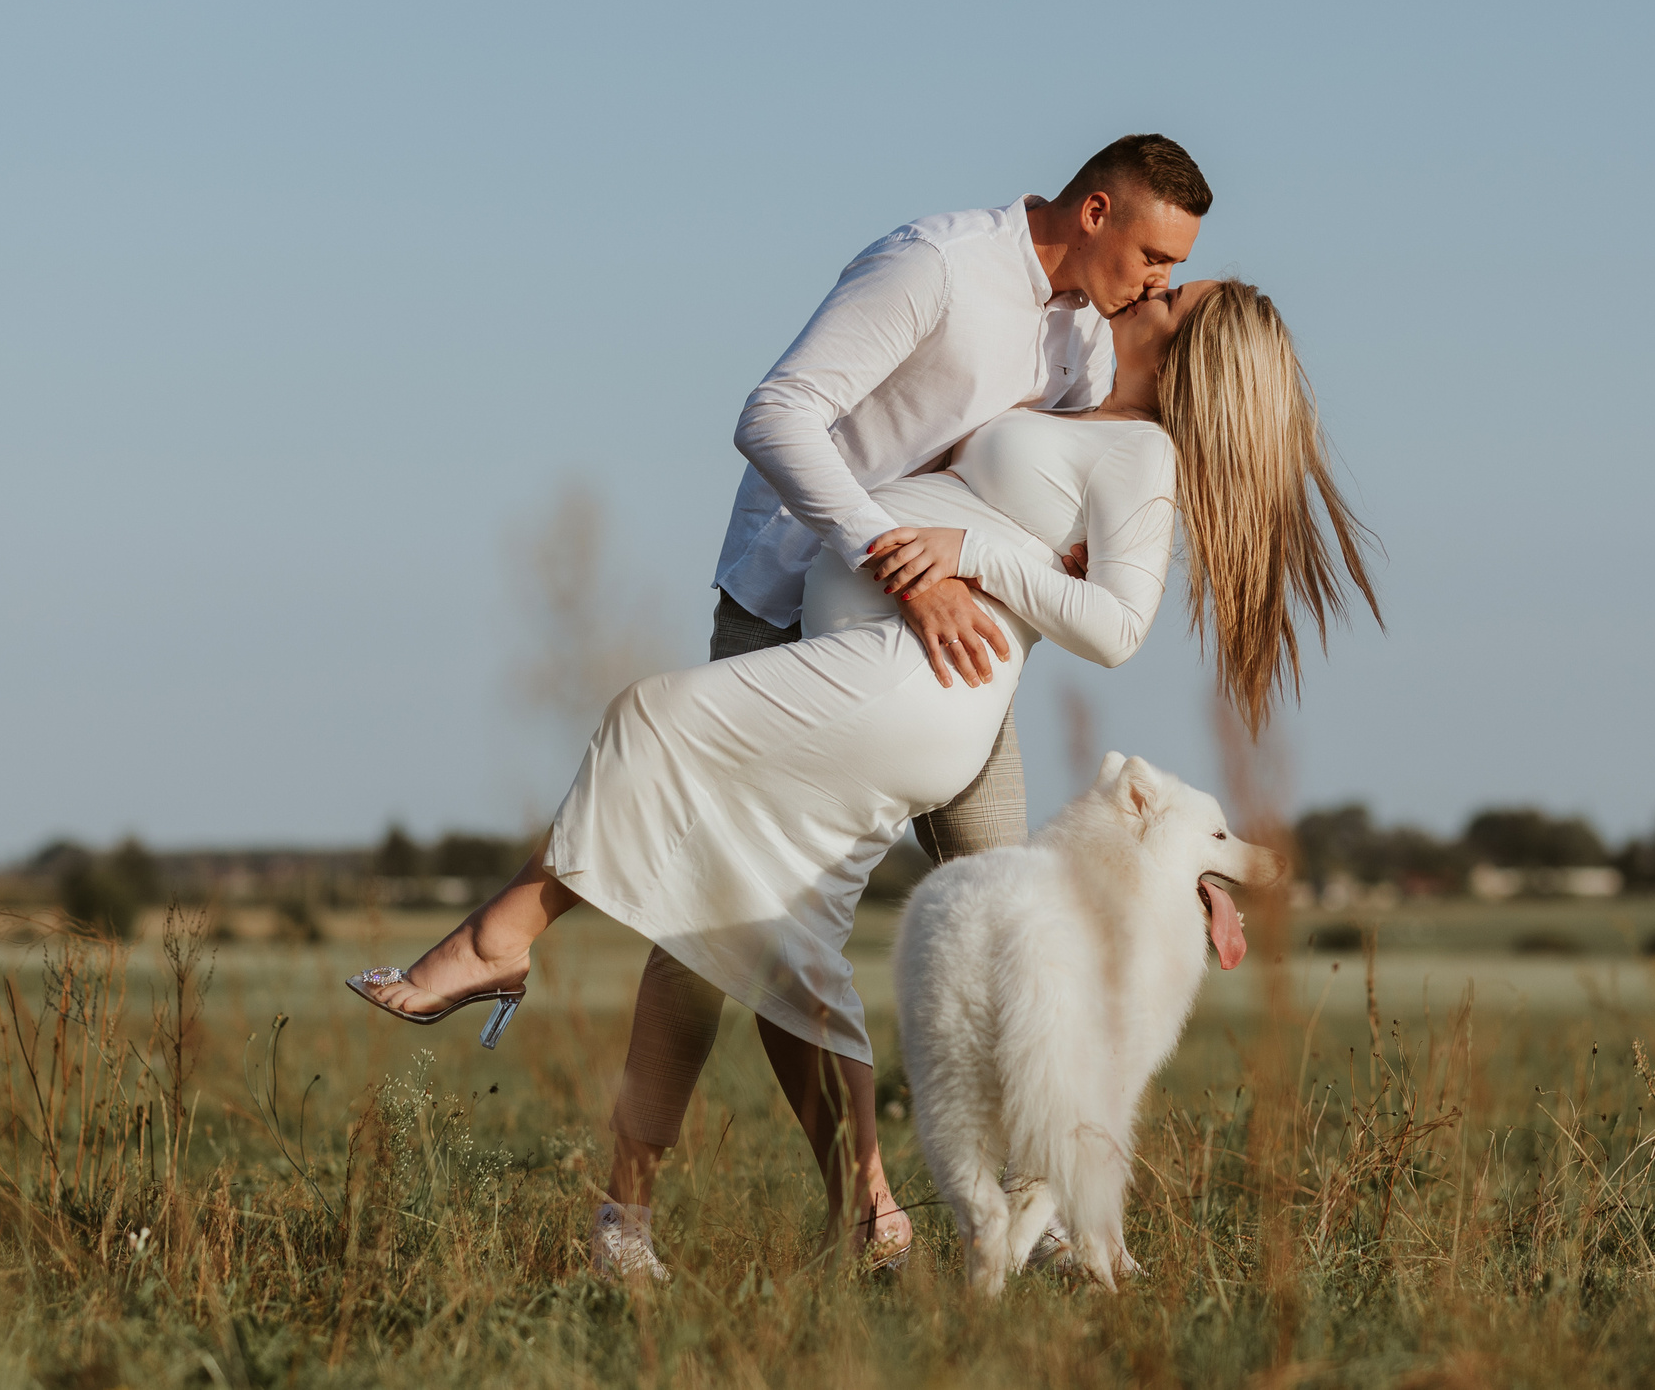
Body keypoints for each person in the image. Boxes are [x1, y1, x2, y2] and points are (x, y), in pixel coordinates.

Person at [349, 279, 1380, 1280]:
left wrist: (968, 547)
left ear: (1191, 359)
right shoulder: (1077, 387)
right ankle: (870, 1221)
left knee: (651, 717)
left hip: (906, 688)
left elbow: (1115, 627)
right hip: (868, 673)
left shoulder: (1142, 453)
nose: (1148, 293)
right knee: (778, 940)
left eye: (1170, 299)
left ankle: (499, 940)